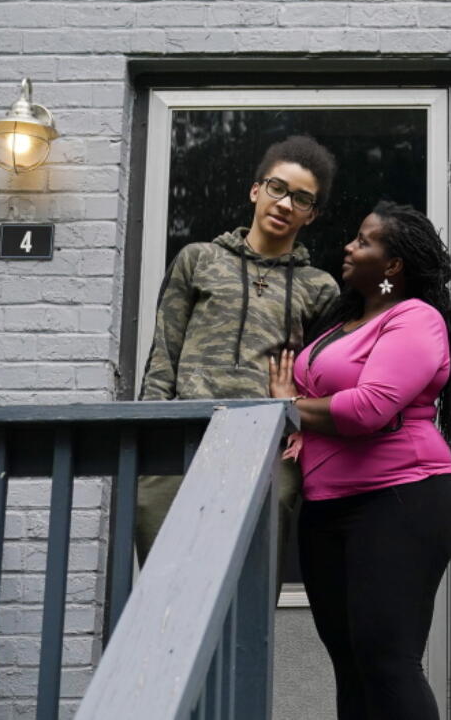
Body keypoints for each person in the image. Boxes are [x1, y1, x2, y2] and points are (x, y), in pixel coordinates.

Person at [268, 201, 451, 720]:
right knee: (351, 666)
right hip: (326, 506)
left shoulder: (415, 318)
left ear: (393, 264)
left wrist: (286, 409)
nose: (349, 247)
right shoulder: (348, 320)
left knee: (386, 662)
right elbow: (319, 408)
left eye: (364, 240)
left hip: (400, 499)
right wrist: (294, 417)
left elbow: (368, 409)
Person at [136, 135, 340, 580]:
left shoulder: (320, 287)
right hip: (183, 435)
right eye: (277, 188)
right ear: (256, 190)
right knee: (166, 579)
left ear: (312, 214)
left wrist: (295, 408)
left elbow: (324, 375)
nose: (285, 204)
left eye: (301, 199)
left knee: (250, 582)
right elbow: (163, 352)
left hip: (267, 442)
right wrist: (152, 430)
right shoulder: (198, 260)